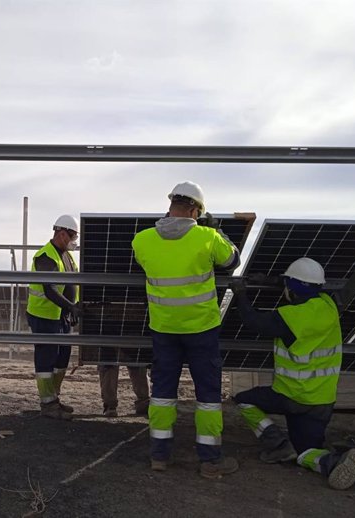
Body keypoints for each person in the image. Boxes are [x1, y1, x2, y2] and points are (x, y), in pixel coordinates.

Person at [131, 181, 240, 478]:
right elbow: (232, 260)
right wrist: (216, 229)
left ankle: (159, 455)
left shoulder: (142, 240)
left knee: (163, 393)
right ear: (196, 210)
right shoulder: (207, 237)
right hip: (202, 329)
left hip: (164, 329)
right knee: (207, 396)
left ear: (170, 206)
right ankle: (209, 460)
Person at [230, 257, 355, 490]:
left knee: (244, 401)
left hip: (291, 396)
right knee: (305, 452)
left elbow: (253, 321)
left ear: (291, 289)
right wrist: (273, 280)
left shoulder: (290, 318)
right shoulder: (327, 304)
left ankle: (277, 443)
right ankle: (330, 462)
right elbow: (303, 285)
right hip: (322, 401)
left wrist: (240, 293)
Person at [26, 214, 82, 420]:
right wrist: (70, 307)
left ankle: (54, 398)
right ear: (60, 233)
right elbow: (49, 290)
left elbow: (71, 283)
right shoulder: (45, 256)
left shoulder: (66, 255)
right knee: (46, 359)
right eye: (72, 236)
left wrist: (71, 309)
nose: (73, 241)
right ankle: (47, 403)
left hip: (61, 316)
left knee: (62, 358)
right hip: (44, 316)